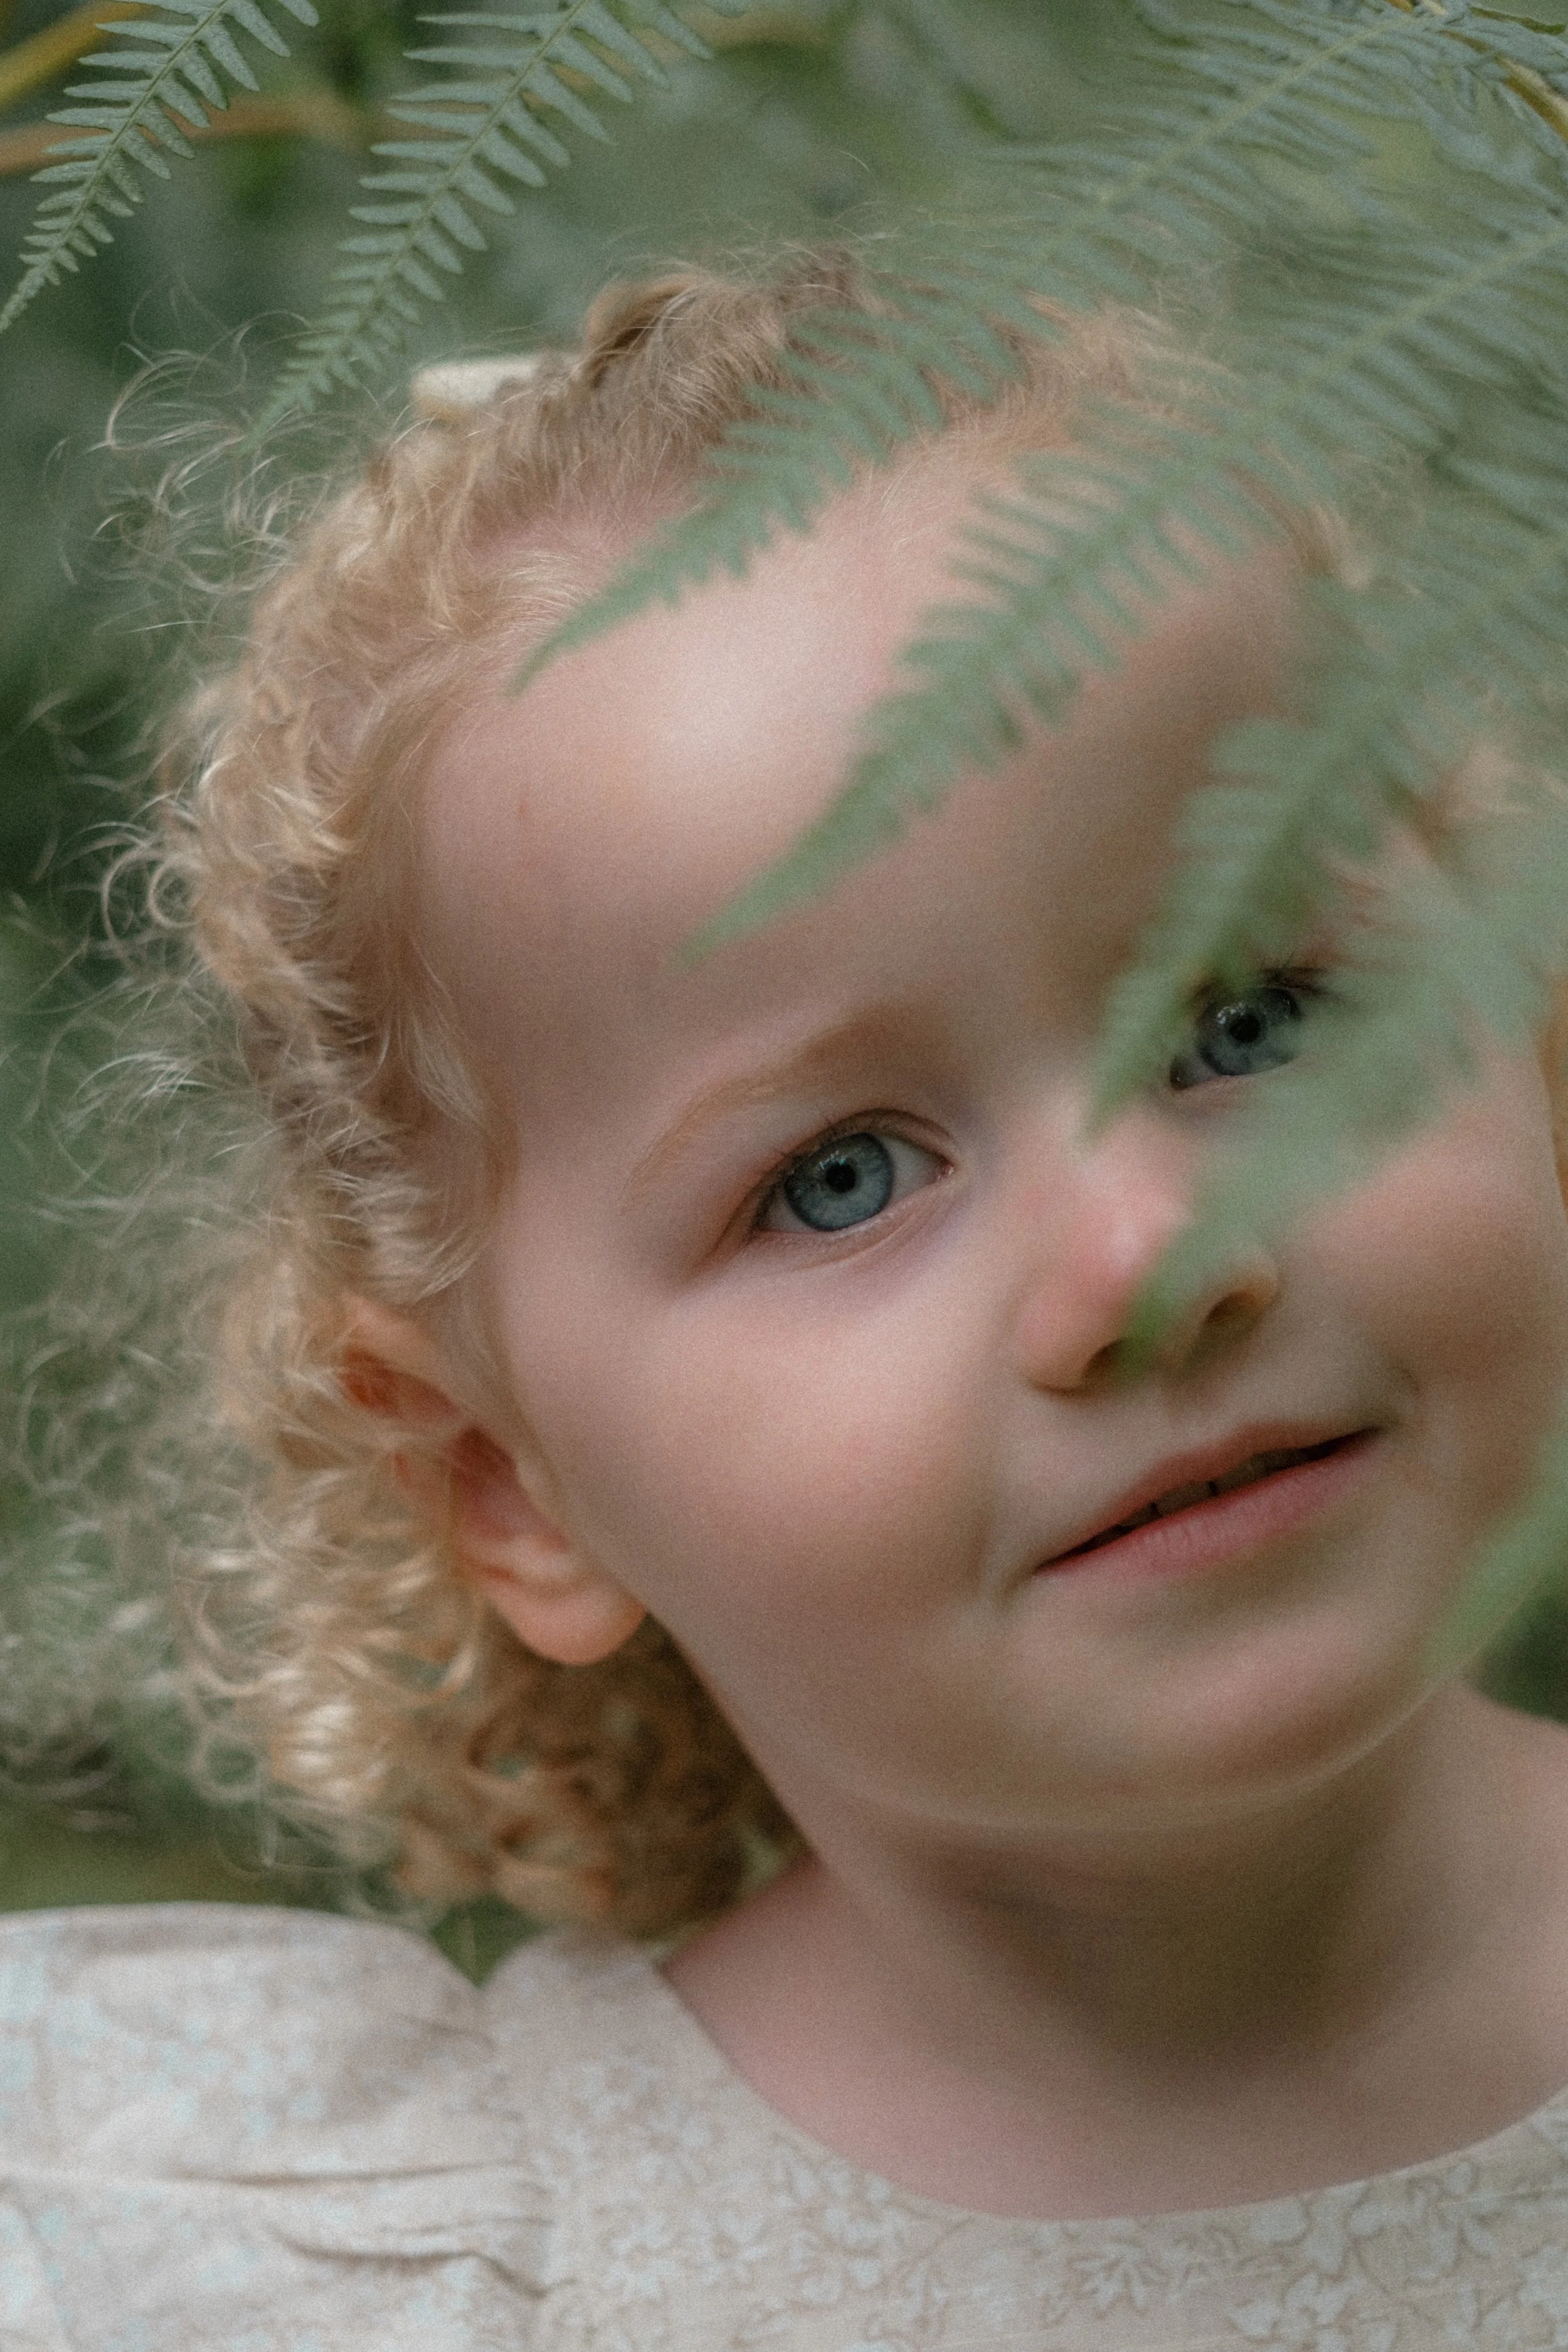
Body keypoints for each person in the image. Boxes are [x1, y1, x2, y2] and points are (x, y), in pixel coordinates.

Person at [6, 252, 1568, 2349]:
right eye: (836, 1179)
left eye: (1255, 1013)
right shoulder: (400, 2277)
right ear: (503, 1482)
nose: (1150, 1257)